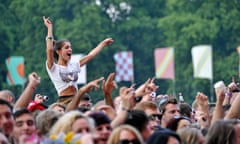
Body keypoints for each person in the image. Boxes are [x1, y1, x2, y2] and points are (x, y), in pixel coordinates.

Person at [43, 16, 114, 105]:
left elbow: (90, 55)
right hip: (64, 101)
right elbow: (49, 49)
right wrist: (50, 28)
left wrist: (103, 43)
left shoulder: (74, 65)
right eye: (66, 47)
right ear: (58, 51)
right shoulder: (53, 67)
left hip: (78, 98)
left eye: (71, 47)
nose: (70, 49)